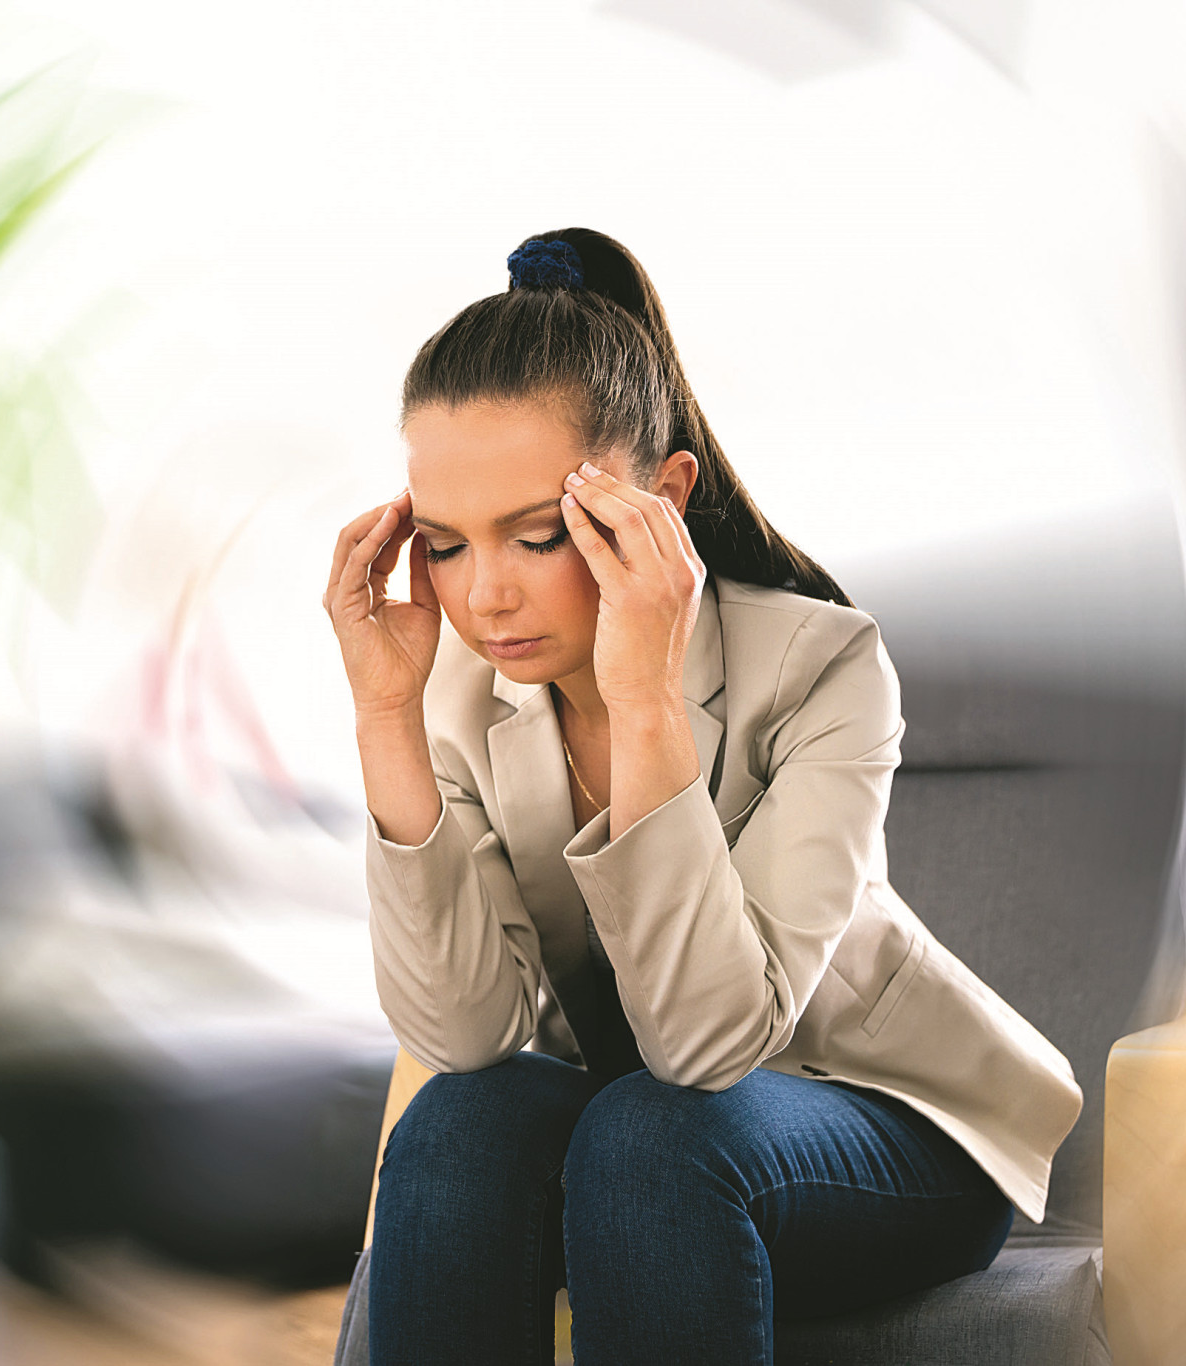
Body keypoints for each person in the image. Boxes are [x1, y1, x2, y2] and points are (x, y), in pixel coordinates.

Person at [321, 229, 1081, 1365]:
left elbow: (706, 1045)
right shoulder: (453, 689)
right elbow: (463, 1033)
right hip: (643, 1122)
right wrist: (384, 717)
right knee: (457, 1122)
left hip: (893, 1127)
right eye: (442, 546)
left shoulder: (823, 666)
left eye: (537, 536)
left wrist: (642, 702)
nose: (483, 597)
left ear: (663, 499)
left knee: (650, 1138)